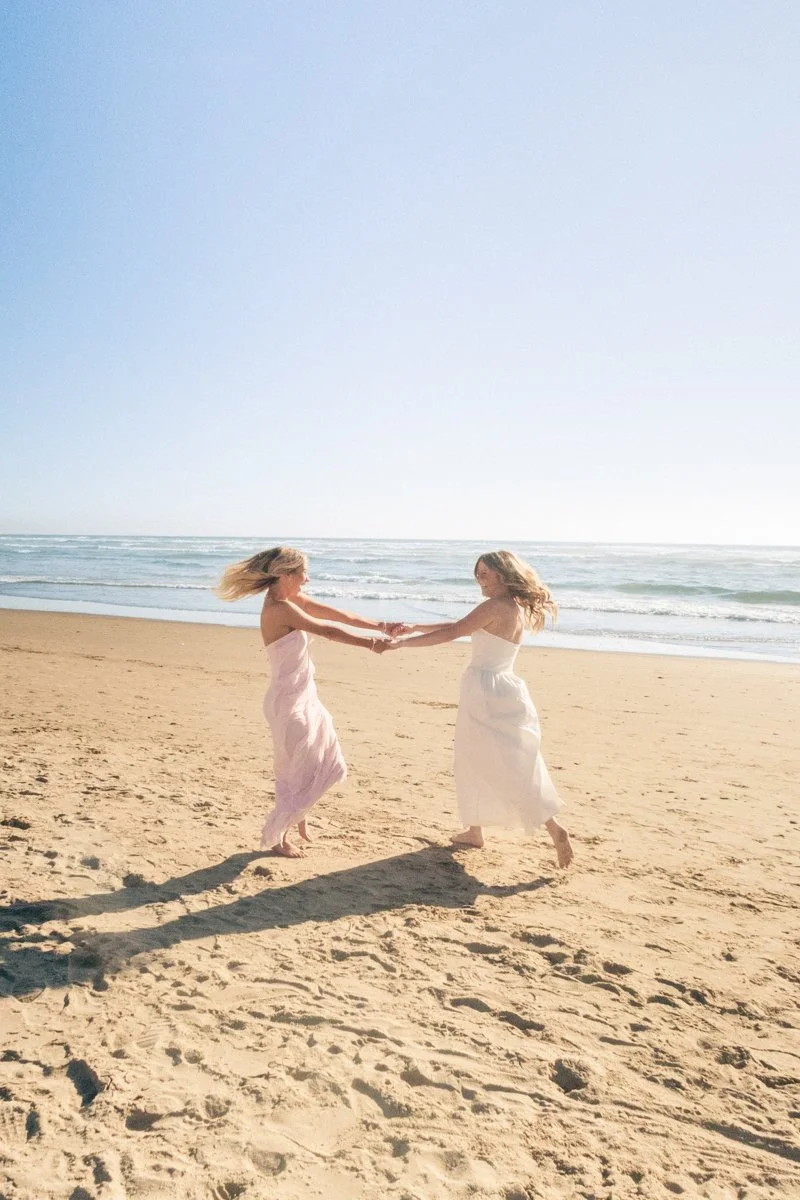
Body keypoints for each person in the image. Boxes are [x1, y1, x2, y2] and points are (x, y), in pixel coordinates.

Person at [378, 550, 573, 868]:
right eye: (477, 574)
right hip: (507, 687)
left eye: (485, 574)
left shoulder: (493, 605)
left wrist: (402, 644)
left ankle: (545, 827)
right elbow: (465, 626)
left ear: (502, 574)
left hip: (483, 689)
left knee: (476, 759)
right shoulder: (515, 607)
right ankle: (475, 830)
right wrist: (415, 627)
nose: (479, 580)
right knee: (513, 761)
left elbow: (453, 632)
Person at [216, 547, 407, 857]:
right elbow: (327, 630)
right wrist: (373, 645)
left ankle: (296, 815)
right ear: (284, 574)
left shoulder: (291, 602)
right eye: (302, 572)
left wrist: (380, 625)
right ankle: (281, 837)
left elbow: (338, 615)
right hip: (288, 702)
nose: (307, 578)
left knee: (328, 761)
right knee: (295, 770)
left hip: (304, 697)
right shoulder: (280, 608)